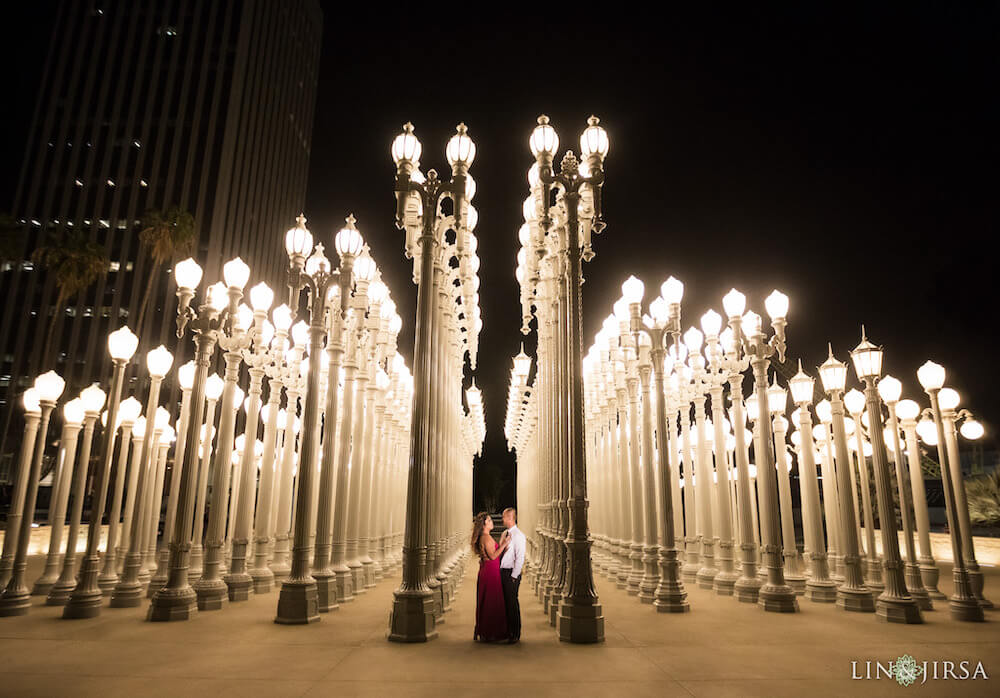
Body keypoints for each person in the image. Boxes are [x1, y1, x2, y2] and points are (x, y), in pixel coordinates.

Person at [472, 511, 509, 642]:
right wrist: (504, 544)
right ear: (484, 525)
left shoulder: (485, 536)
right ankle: (491, 632)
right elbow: (493, 556)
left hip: (488, 569)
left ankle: (485, 630)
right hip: (490, 571)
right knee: (492, 601)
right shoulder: (486, 537)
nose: (492, 522)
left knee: (488, 600)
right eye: (489, 520)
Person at [498, 507, 525, 644]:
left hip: (511, 574)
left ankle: (515, 633)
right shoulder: (505, 533)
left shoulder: (519, 535)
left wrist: (514, 576)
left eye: (504, 517)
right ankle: (508, 631)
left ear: (510, 518)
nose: (502, 520)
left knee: (512, 603)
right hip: (503, 572)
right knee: (506, 604)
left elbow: (520, 558)